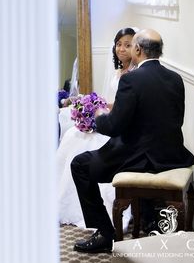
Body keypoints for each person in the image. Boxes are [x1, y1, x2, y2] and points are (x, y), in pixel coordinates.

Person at [71, 28, 194, 253]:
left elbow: (114, 126)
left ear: (137, 49)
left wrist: (99, 116)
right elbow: (175, 119)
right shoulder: (176, 79)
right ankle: (151, 221)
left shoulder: (131, 80)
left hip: (140, 157)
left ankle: (104, 233)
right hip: (171, 155)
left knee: (79, 165)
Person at [57, 27, 136, 228]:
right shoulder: (119, 72)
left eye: (127, 45)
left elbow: (125, 109)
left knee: (79, 140)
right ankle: (65, 198)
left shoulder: (136, 74)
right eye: (119, 44)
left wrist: (101, 113)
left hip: (121, 128)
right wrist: (94, 106)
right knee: (72, 133)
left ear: (136, 47)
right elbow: (115, 103)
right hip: (112, 117)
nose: (122, 49)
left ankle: (91, 206)